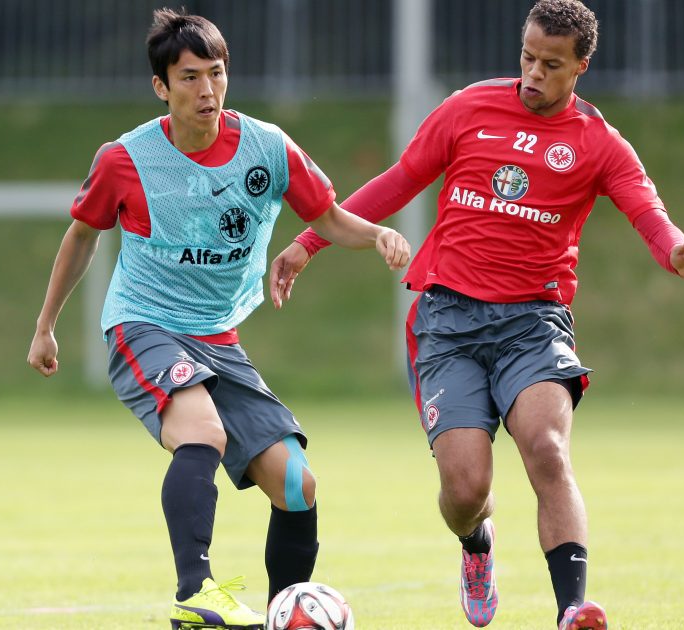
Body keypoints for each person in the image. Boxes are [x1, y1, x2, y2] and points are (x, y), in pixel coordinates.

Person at [271, 1, 684, 628]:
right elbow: (400, 180)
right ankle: (477, 542)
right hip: (447, 323)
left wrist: (674, 250)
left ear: (580, 68)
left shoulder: (598, 143)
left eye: (551, 64)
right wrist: (308, 242)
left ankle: (572, 608)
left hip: (533, 323)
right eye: (528, 57)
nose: (534, 73)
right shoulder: (468, 108)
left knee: (547, 449)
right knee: (465, 490)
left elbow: (646, 209)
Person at [26, 9, 409, 629]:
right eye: (190, 77)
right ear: (161, 86)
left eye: (216, 73)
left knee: (297, 485)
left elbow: (328, 216)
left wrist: (377, 235)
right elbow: (81, 235)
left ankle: (285, 613)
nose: (207, 90)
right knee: (202, 431)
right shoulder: (126, 159)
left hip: (218, 338)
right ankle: (195, 592)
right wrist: (46, 325)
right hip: (144, 323)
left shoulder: (267, 147)